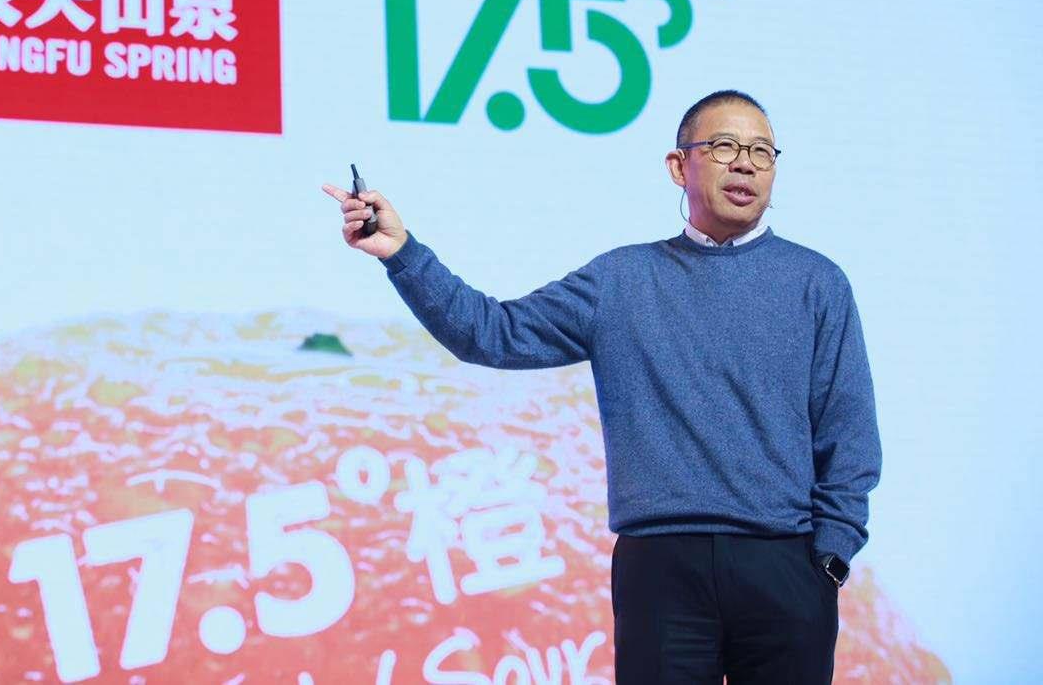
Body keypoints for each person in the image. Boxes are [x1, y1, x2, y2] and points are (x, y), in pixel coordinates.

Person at [320, 90, 882, 684]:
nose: (744, 164)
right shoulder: (620, 280)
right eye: (723, 146)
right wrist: (402, 255)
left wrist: (830, 556)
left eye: (761, 152)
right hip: (660, 567)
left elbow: (849, 431)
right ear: (678, 166)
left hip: (785, 566)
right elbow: (492, 333)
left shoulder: (817, 283)